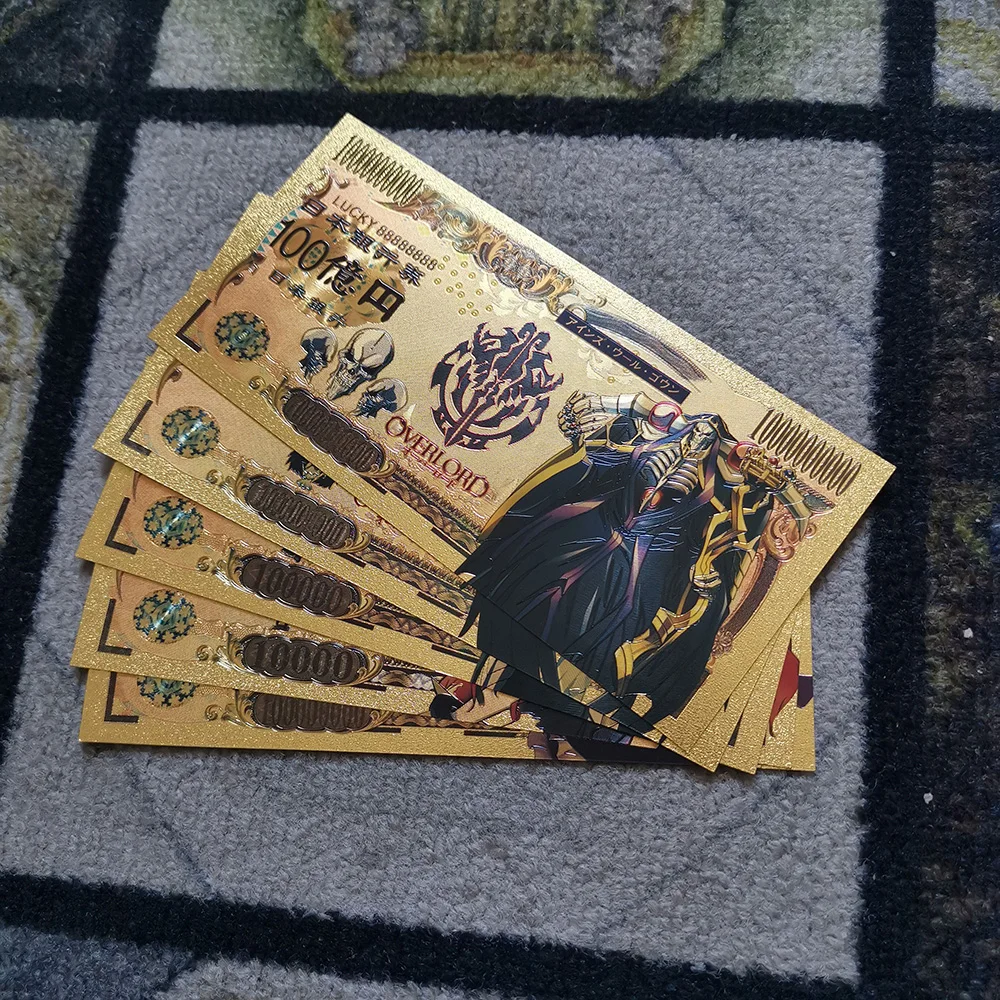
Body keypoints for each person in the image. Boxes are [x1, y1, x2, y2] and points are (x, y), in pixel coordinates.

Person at [460, 389, 809, 721]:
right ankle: (489, 693)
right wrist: (609, 420)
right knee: (524, 599)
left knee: (604, 636)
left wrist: (774, 488)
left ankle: (539, 702)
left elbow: (775, 521)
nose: (703, 433)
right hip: (592, 531)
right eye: (696, 429)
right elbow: (596, 461)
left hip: (645, 562)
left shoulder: (724, 485)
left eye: (711, 437)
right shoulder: (644, 441)